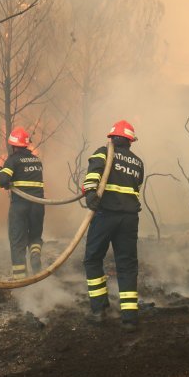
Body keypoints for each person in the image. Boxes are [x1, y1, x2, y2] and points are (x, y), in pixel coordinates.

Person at [81, 120, 144, 331]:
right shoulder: (137, 162)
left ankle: (99, 311)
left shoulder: (103, 152)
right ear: (129, 141)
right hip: (129, 219)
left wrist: (90, 192)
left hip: (106, 214)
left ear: (112, 138)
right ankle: (130, 318)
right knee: (126, 265)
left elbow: (93, 173)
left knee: (92, 259)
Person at [0, 127, 45, 278]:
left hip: (20, 206)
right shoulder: (37, 160)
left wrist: (0, 173)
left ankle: (20, 280)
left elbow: (3, 182)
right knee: (35, 236)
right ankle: (35, 255)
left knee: (17, 241)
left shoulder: (13, 160)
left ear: (13, 145)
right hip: (38, 205)